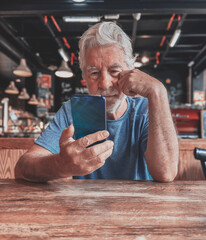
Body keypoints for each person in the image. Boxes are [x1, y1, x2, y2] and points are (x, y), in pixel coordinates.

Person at [15, 22, 179, 182]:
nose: (105, 84)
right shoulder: (72, 111)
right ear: (84, 78)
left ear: (130, 71)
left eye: (114, 71)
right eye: (94, 73)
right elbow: (22, 168)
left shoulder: (144, 109)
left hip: (138, 208)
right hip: (85, 208)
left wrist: (158, 92)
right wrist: (60, 165)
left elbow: (166, 173)